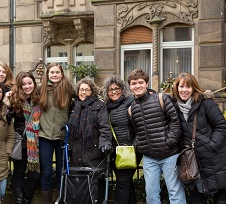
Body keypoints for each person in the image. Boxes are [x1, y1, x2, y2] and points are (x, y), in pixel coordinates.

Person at [172, 72, 226, 204]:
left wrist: (212, 145)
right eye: (181, 86)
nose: (184, 90)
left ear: (193, 88)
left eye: (188, 87)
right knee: (196, 196)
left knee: (220, 195)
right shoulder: (175, 108)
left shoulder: (205, 104)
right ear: (176, 88)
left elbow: (221, 126)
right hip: (192, 160)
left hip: (214, 157)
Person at [127, 69, 186, 204]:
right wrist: (142, 146)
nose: (137, 86)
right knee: (151, 195)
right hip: (149, 158)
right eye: (134, 83)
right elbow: (137, 132)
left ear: (146, 83)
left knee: (175, 193)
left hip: (170, 155)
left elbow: (175, 122)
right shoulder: (131, 109)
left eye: (140, 82)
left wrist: (169, 142)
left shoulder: (161, 98)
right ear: (130, 86)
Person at [67, 77, 112, 203]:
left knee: (94, 189)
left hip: (93, 153)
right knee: (79, 189)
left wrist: (106, 143)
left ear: (92, 91)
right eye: (81, 90)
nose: (84, 92)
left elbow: (104, 127)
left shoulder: (100, 105)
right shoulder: (74, 106)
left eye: (87, 90)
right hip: (76, 153)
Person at [38, 62, 74, 203]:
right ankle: (47, 200)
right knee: (46, 172)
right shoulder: (41, 89)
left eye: (57, 72)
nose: (54, 75)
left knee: (61, 172)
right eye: (51, 72)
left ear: (61, 73)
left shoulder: (69, 88)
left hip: (62, 137)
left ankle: (60, 199)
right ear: (47, 74)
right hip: (45, 135)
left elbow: (85, 93)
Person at [103, 75, 141, 204]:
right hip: (114, 152)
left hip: (129, 151)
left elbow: (140, 126)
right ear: (107, 92)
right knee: (126, 183)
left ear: (122, 89)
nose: (114, 91)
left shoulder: (130, 102)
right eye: (111, 89)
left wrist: (134, 147)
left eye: (117, 88)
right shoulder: (106, 106)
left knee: (122, 184)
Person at [8, 71, 41, 204]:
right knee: (19, 173)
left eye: (29, 83)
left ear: (34, 83)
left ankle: (26, 198)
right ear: (19, 86)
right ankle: (19, 201)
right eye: (23, 84)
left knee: (35, 174)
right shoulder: (14, 99)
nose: (27, 86)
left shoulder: (40, 98)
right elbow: (7, 119)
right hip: (21, 141)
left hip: (37, 142)